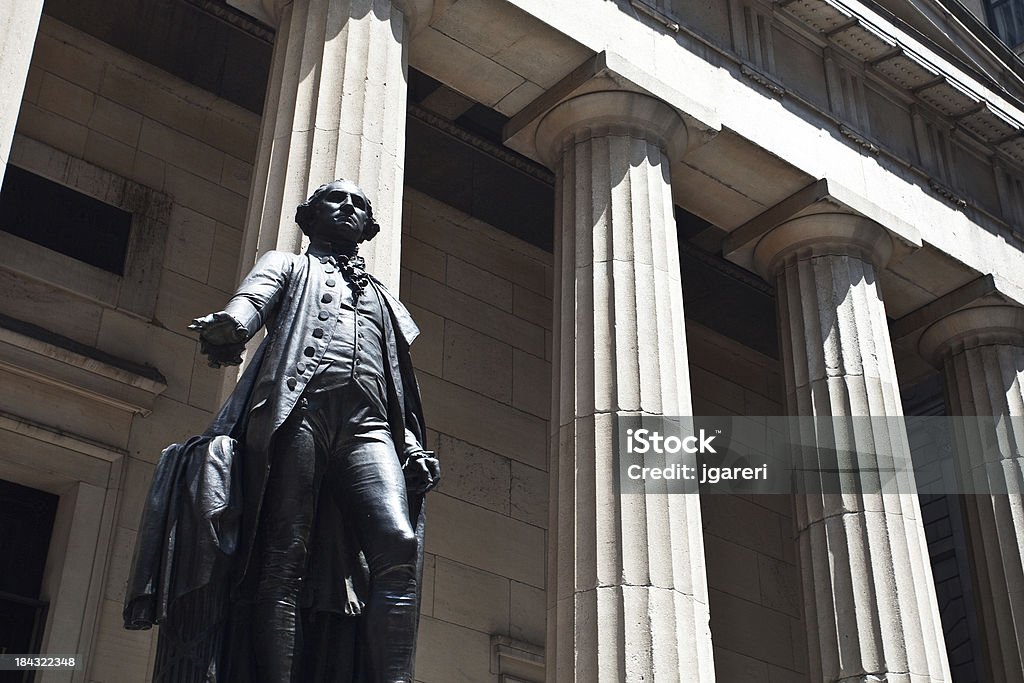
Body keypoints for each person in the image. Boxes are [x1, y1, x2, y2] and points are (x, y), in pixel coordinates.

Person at [185, 179, 439, 683]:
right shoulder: (289, 264)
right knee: (284, 554)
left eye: (359, 205)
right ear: (309, 216)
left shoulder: (386, 300)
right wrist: (230, 327)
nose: (348, 208)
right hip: (297, 412)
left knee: (398, 544)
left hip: (369, 425)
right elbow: (249, 304)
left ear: (369, 227)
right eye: (335, 199)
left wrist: (408, 441)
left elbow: (396, 381)